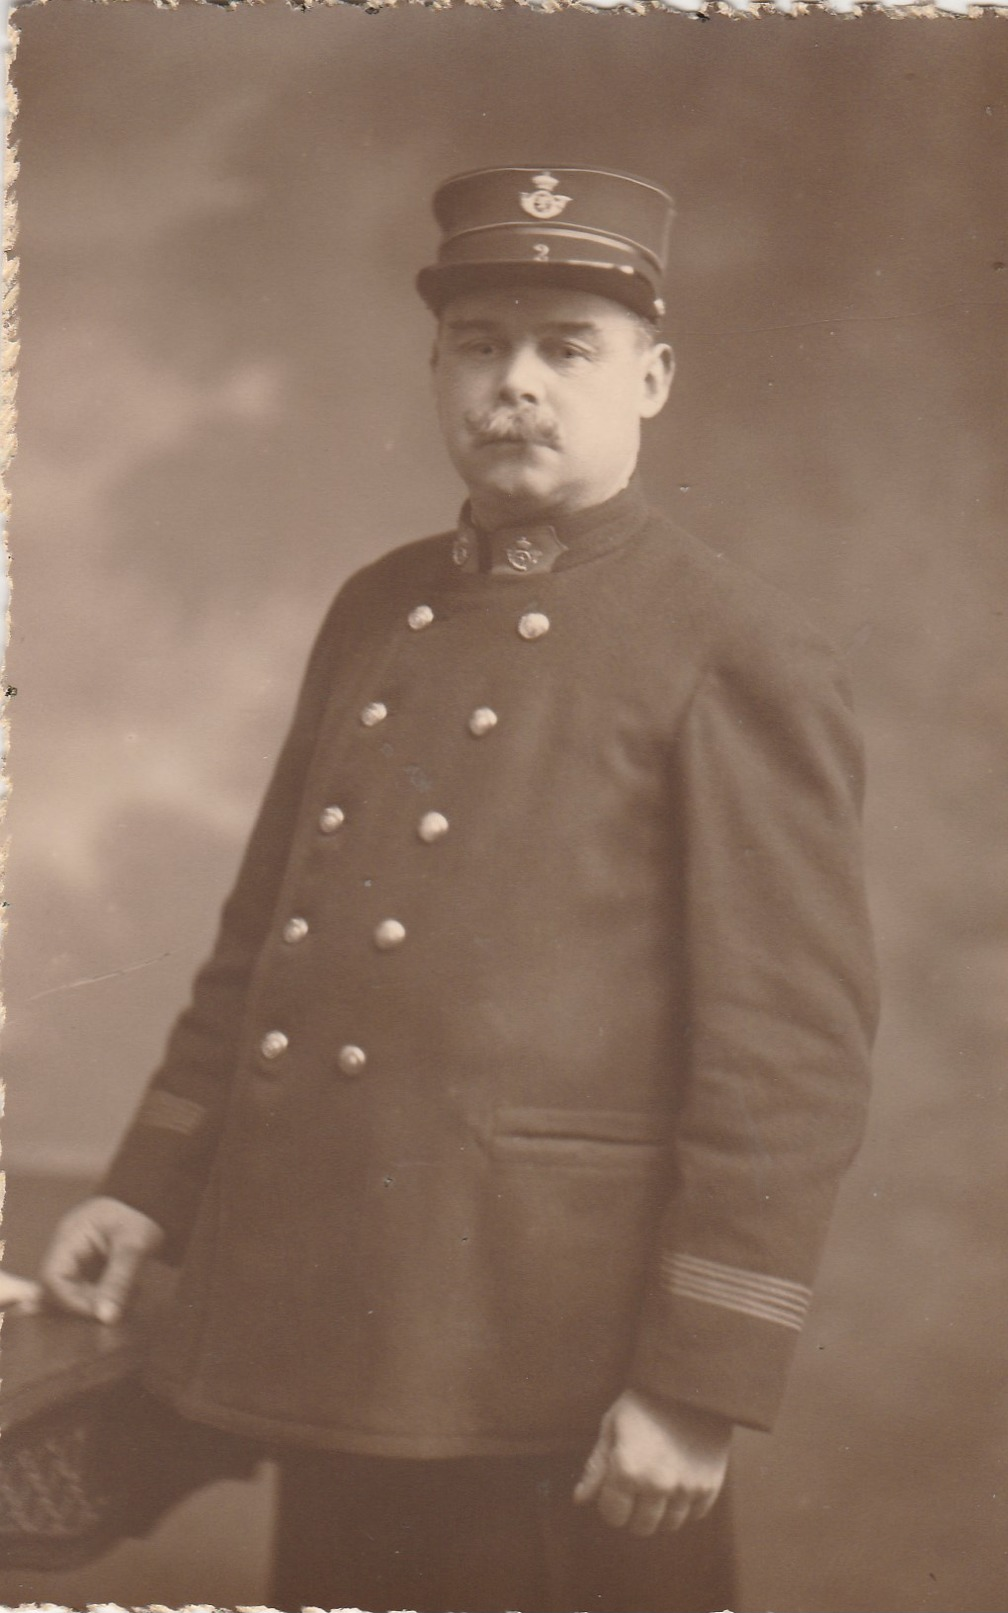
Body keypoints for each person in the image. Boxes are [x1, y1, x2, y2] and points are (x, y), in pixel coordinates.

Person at [41, 166, 878, 1613]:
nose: (519, 384)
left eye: (570, 346)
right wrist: (149, 1188)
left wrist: (703, 1382)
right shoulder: (377, 604)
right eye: (482, 344)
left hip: (551, 1354)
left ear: (654, 378)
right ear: (438, 371)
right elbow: (264, 946)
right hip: (346, 1319)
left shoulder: (735, 646)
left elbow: (790, 1056)